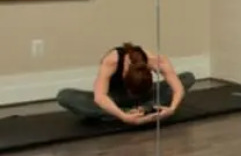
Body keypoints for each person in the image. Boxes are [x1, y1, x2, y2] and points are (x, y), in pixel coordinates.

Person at [57, 43, 196, 124]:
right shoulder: (112, 61)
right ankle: (137, 113)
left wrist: (172, 109)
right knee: (64, 96)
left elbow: (178, 89)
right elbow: (100, 97)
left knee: (187, 77)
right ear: (124, 74)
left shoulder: (154, 60)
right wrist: (123, 116)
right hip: (116, 99)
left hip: (146, 97)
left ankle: (143, 110)